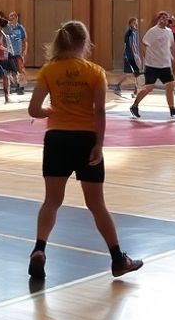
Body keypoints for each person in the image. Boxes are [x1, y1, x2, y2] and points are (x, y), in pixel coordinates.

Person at [26, 21, 143, 281]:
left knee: (51, 201)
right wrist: (99, 145)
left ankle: (39, 249)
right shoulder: (94, 72)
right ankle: (117, 259)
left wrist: (49, 112)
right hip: (85, 140)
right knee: (96, 204)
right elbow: (100, 112)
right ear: (84, 43)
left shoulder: (48, 70)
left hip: (56, 140)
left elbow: (34, 110)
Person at [129, 12, 175, 118]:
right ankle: (134, 106)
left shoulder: (169, 32)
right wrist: (145, 58)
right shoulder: (152, 31)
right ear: (158, 19)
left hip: (165, 65)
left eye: (165, 18)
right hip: (152, 65)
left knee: (170, 85)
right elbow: (144, 44)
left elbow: (172, 49)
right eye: (161, 17)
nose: (164, 19)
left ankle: (172, 109)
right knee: (149, 88)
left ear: (168, 20)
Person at [114, 17, 141, 98]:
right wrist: (135, 55)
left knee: (134, 73)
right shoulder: (131, 32)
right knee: (131, 74)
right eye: (134, 22)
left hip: (131, 55)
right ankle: (120, 86)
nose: (136, 23)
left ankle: (135, 90)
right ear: (131, 23)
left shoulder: (133, 31)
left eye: (136, 22)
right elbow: (132, 45)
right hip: (130, 56)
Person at [6, 12, 29, 94]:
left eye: (13, 17)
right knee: (12, 70)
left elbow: (25, 40)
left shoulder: (20, 28)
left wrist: (25, 50)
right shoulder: (6, 28)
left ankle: (21, 85)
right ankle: (13, 85)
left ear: (16, 18)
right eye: (10, 17)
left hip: (18, 53)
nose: (11, 18)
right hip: (9, 53)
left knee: (20, 69)